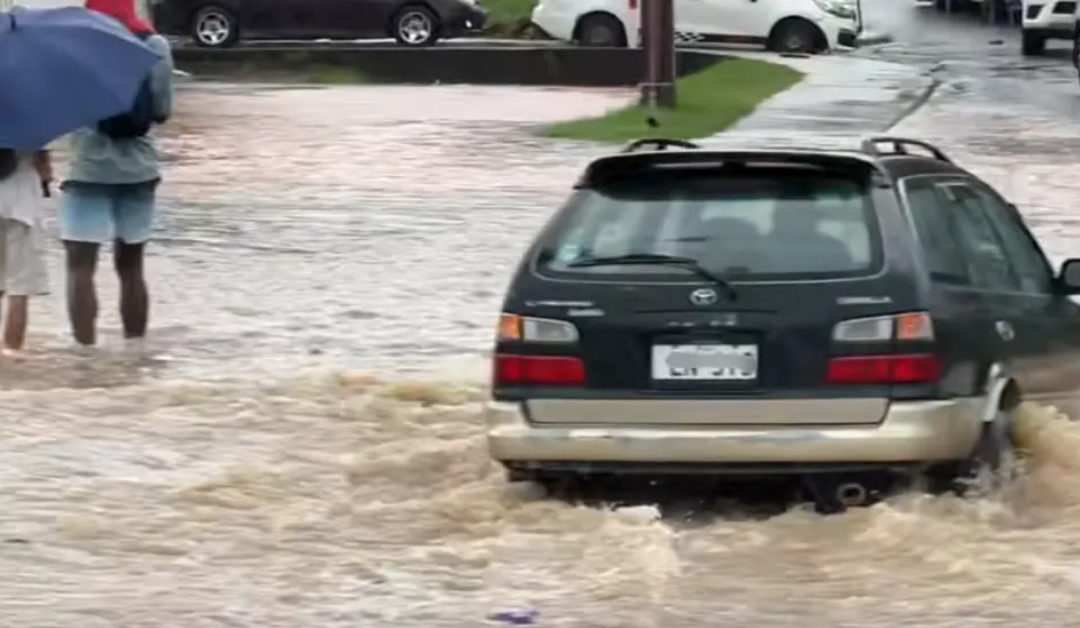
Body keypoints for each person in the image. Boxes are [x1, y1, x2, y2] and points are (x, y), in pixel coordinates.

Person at [60, 0, 174, 347]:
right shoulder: (153, 45)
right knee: (131, 268)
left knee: (80, 267)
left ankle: (84, 357)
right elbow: (163, 111)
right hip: (138, 170)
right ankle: (135, 354)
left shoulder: (74, 46)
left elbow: (63, 108)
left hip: (87, 167)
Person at [0, 149, 52, 357]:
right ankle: (11, 353)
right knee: (18, 289)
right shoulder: (31, 122)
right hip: (21, 208)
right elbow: (44, 170)